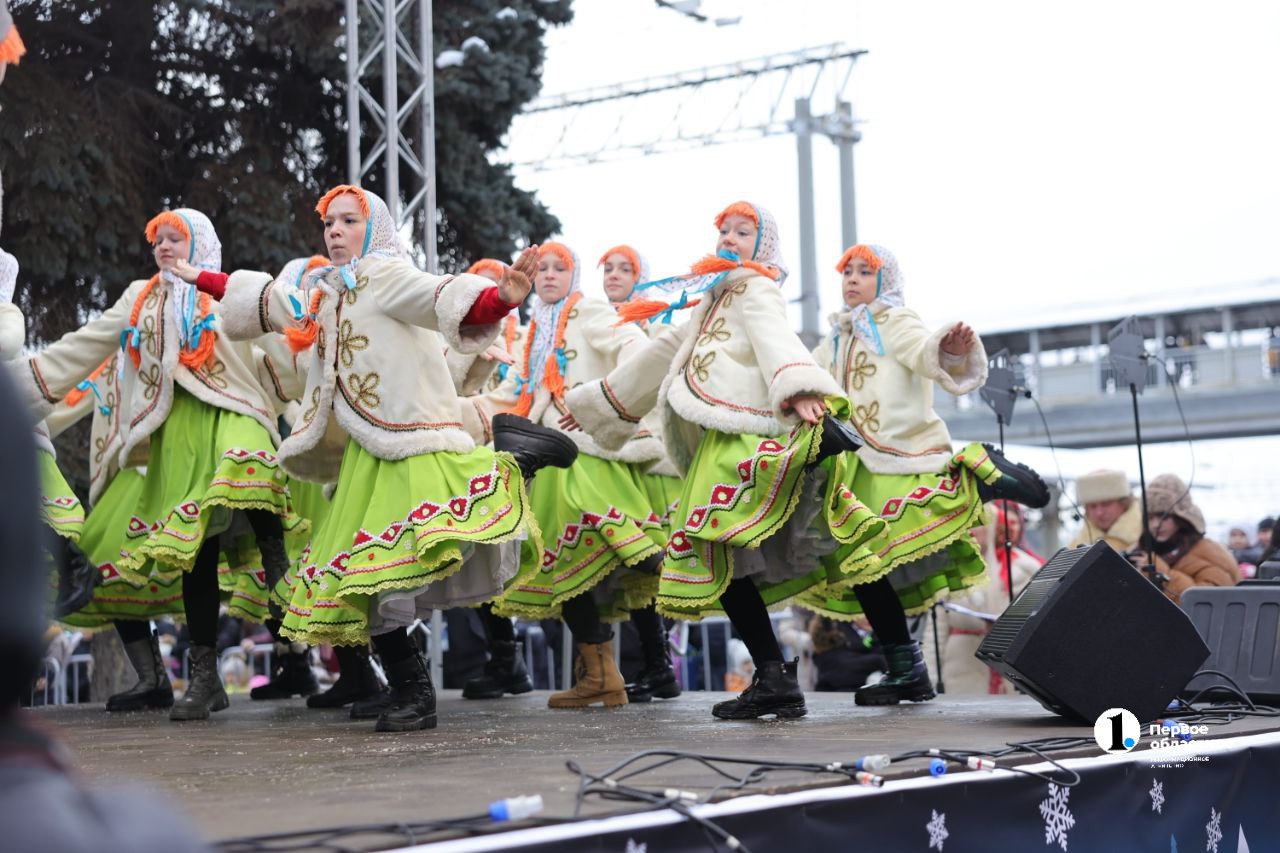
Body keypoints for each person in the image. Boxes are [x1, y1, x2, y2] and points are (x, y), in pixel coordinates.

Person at [205, 184, 572, 732]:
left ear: (372, 230)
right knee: (363, 574)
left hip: (407, 440)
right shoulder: (329, 292)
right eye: (329, 223)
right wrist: (201, 278)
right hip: (366, 451)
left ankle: (518, 462)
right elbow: (269, 305)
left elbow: (438, 295)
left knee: (381, 572)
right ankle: (405, 687)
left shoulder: (386, 274)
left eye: (348, 221)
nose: (334, 231)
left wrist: (501, 298)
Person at [563, 201, 877, 720]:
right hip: (715, 439)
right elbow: (663, 351)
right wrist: (601, 403)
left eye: (743, 231)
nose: (730, 239)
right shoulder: (712, 297)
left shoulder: (754, 287)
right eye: (725, 231)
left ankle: (815, 450)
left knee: (712, 542)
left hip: (745, 430)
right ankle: (773, 674)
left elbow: (774, 335)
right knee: (722, 557)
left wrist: (798, 388)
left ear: (764, 246)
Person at [14, 208, 305, 722]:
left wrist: (311, 405)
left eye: (176, 238)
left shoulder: (229, 289)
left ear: (201, 244)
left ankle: (276, 564)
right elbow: (79, 350)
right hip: (177, 433)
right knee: (197, 552)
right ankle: (203, 679)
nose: (165, 247)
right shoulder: (141, 297)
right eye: (158, 240)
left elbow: (284, 341)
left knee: (248, 463)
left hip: (236, 412)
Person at [801, 243, 1049, 706]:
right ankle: (906, 669)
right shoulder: (836, 336)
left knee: (902, 533)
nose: (852, 279)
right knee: (863, 567)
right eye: (847, 272)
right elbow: (803, 373)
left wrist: (949, 348)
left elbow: (923, 351)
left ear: (886, 282)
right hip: (854, 466)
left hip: (898, 453)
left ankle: (975, 474)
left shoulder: (895, 321)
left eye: (864, 272)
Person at [466, 241, 665, 710]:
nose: (550, 276)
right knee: (559, 563)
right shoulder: (537, 329)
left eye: (561, 268)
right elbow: (515, 393)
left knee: (624, 540)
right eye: (544, 269)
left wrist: (602, 399)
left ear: (574, 277)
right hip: (548, 458)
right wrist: (451, 414)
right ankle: (601, 676)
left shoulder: (590, 310)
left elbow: (635, 346)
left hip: (589, 454)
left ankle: (686, 578)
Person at [940, 503, 1042, 694]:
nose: (971, 530)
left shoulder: (1027, 567)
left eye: (977, 523)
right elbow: (936, 629)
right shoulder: (949, 568)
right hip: (962, 668)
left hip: (1011, 667)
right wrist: (930, 675)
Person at [1130, 473, 1239, 606]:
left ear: (1180, 517)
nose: (1155, 525)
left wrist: (1164, 575)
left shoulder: (1211, 553)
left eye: (1163, 516)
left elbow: (1210, 605)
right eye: (1150, 518)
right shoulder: (1139, 551)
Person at [1068, 469, 1142, 552]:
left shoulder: (1148, 536)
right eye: (1092, 506)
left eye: (1106, 504)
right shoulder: (1075, 547)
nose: (1099, 513)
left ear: (1124, 503)